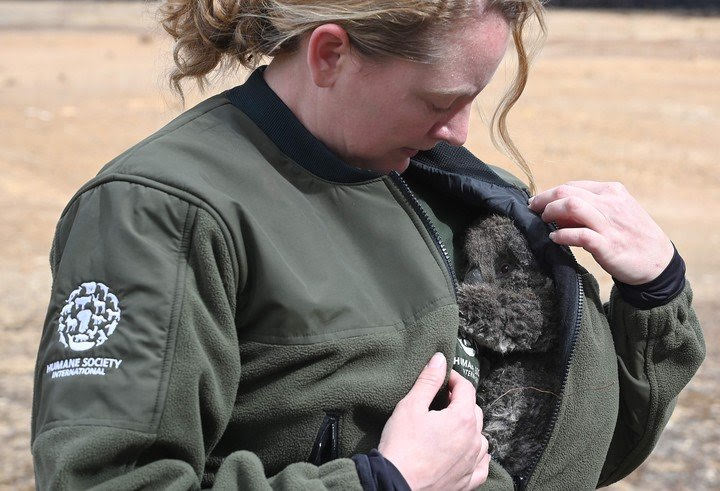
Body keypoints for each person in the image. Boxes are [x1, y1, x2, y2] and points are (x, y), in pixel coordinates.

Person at [31, 0, 704, 489]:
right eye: (441, 97)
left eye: (477, 96)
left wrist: (655, 293)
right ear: (330, 53)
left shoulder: (461, 190)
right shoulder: (162, 210)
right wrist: (382, 481)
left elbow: (566, 454)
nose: (462, 130)